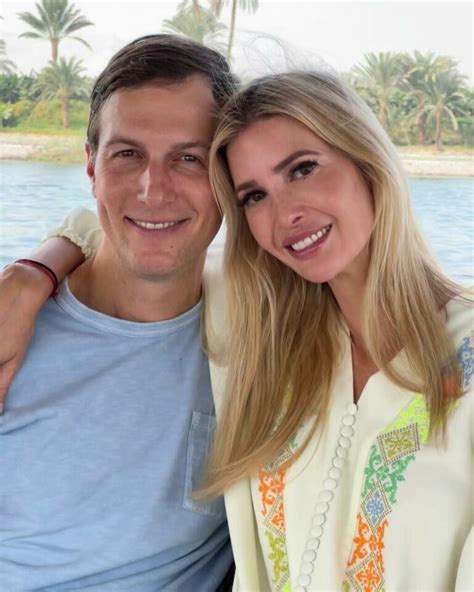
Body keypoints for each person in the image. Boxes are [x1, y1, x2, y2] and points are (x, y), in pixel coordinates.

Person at [1, 70, 472, 591]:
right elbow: (127, 229)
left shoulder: (463, 352)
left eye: (303, 169)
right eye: (253, 195)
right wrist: (33, 273)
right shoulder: (257, 321)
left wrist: (34, 271)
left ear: (368, 160)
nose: (286, 213)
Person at [0, 34, 237, 591]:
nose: (154, 190)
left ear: (228, 177)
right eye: (127, 154)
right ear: (91, 166)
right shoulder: (13, 333)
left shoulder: (260, 333)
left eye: (189, 158)